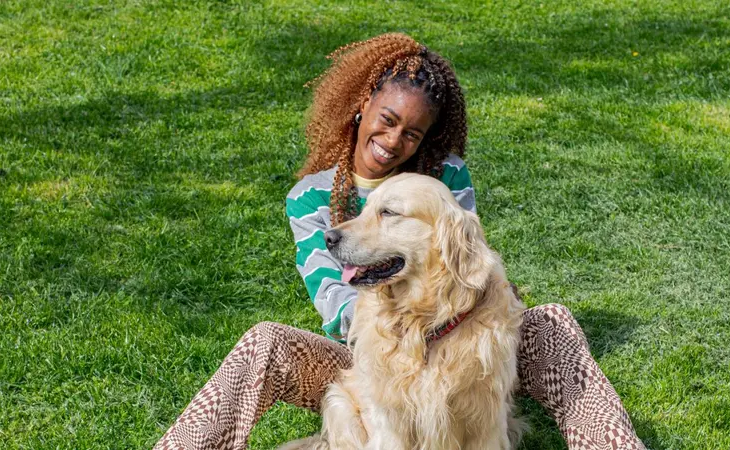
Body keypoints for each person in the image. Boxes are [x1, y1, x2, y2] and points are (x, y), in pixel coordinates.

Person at [155, 33, 645, 450]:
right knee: (265, 340)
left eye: (411, 133)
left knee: (552, 321)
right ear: (363, 103)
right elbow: (337, 303)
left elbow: (466, 260)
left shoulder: (445, 175)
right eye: (387, 120)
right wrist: (400, 330)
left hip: (461, 333)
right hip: (365, 349)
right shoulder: (310, 198)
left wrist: (455, 315)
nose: (393, 140)